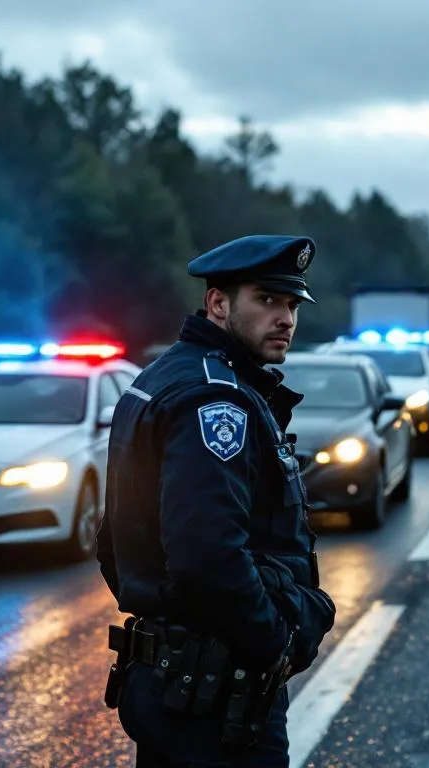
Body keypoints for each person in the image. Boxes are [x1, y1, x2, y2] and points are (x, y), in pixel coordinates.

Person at [96, 235, 337, 767]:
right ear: (219, 304)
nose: (286, 319)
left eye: (292, 304)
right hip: (216, 694)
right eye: (267, 300)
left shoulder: (161, 378)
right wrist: (274, 640)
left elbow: (113, 537)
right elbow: (208, 557)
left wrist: (158, 611)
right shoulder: (215, 399)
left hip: (173, 681)